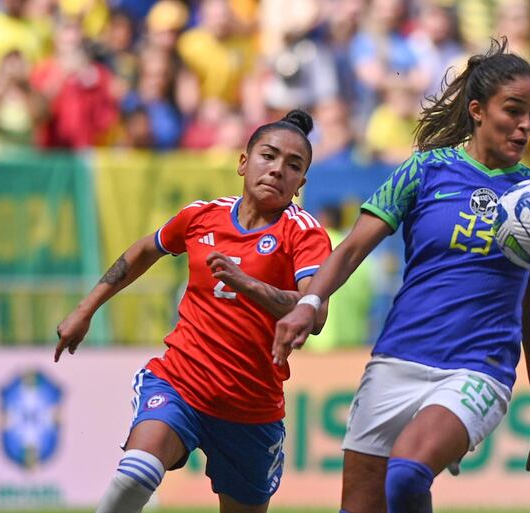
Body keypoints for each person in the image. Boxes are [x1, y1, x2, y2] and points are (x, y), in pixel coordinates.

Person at [274, 38, 530, 513]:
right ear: (477, 110)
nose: (526, 125)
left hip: (478, 367)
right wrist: (310, 302)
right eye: (514, 110)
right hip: (397, 358)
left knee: (407, 476)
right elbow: (350, 250)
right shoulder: (425, 170)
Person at [54, 110, 332, 513]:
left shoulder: (303, 232)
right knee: (136, 473)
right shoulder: (203, 215)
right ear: (243, 162)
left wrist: (248, 284)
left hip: (251, 407)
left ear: (301, 182)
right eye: (268, 156)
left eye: (293, 165)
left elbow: (316, 313)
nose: (277, 170)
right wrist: (86, 308)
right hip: (180, 383)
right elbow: (145, 249)